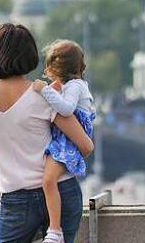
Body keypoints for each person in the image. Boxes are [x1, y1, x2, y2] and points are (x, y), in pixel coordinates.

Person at [0, 23, 94, 243]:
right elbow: (85, 146)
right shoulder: (44, 95)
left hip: (15, 197)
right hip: (61, 192)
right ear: (30, 55)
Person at [31, 40, 95, 243]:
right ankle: (55, 230)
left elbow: (66, 110)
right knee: (49, 180)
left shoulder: (75, 86)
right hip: (65, 137)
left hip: (69, 138)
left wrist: (45, 90)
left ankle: (55, 231)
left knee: (48, 180)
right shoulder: (74, 85)